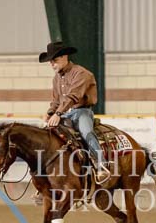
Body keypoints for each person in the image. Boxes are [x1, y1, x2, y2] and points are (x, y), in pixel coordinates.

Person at [39, 41, 110, 183]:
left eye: (54, 60)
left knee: (86, 132)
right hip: (64, 113)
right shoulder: (56, 79)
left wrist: (58, 114)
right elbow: (56, 100)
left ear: (64, 57)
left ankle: (101, 165)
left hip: (82, 111)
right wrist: (50, 112)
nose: (52, 64)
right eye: (50, 62)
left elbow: (73, 96)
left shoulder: (82, 73)